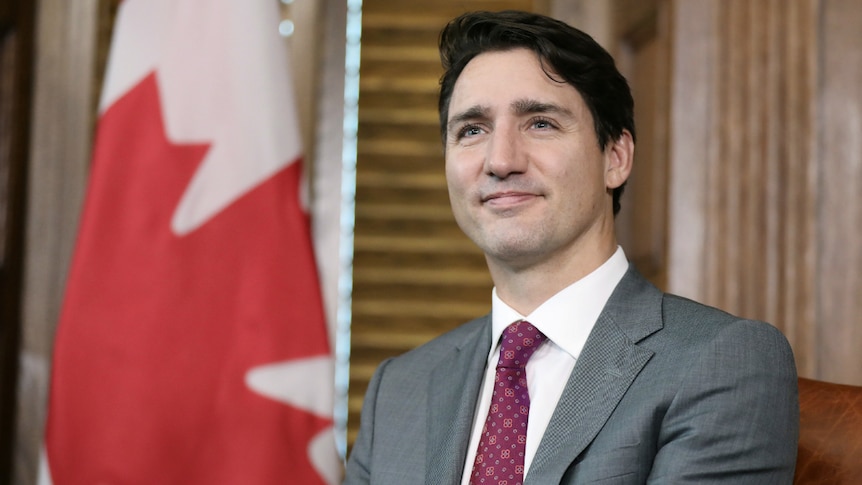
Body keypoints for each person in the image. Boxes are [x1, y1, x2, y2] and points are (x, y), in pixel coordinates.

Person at [344, 10, 798, 485]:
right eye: (472, 130)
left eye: (540, 123)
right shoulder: (399, 388)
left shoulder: (722, 362)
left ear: (615, 158)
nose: (500, 160)